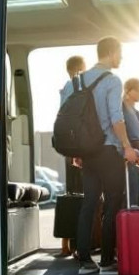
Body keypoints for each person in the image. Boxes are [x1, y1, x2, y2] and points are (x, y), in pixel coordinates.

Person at [60, 37, 139, 275]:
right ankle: (106, 259)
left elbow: (65, 118)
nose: (121, 58)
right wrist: (127, 146)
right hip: (107, 149)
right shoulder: (112, 80)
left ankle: (84, 261)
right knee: (113, 202)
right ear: (112, 52)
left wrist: (76, 151)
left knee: (89, 203)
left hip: (86, 153)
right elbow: (116, 118)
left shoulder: (74, 82)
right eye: (120, 53)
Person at [57, 55, 87, 258]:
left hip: (68, 146)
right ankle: (77, 245)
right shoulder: (76, 87)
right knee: (81, 196)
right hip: (78, 147)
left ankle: (66, 244)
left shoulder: (66, 88)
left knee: (72, 194)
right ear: (79, 69)